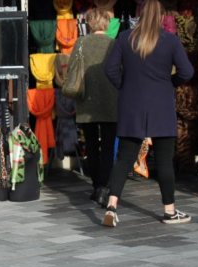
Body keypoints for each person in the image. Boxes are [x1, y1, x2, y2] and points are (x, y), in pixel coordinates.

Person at [103, 0, 194, 227]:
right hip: (161, 105)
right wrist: (171, 82)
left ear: (139, 14)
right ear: (162, 17)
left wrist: (123, 86)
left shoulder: (125, 38)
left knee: (123, 158)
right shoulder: (171, 41)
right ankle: (170, 212)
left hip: (131, 104)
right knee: (164, 161)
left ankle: (111, 206)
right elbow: (187, 71)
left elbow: (109, 68)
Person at [70, 8, 118, 206]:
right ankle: (104, 187)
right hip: (111, 100)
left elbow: (72, 69)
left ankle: (96, 185)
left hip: (86, 100)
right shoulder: (114, 44)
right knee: (107, 145)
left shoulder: (81, 43)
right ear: (107, 23)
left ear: (89, 23)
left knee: (90, 144)